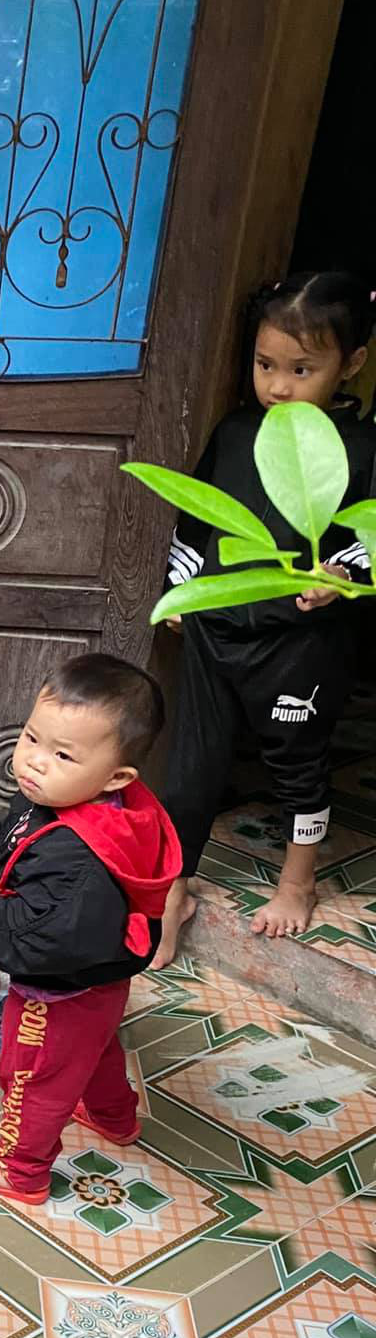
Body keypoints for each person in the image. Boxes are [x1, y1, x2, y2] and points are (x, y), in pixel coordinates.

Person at [157, 271, 376, 960]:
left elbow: (366, 542)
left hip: (300, 641)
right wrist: (182, 590)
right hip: (217, 630)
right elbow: (199, 517)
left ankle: (298, 878)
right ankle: (173, 889)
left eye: (302, 369)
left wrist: (346, 578)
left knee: (297, 761)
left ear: (353, 364)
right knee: (191, 766)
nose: (279, 385)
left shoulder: (363, 450)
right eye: (265, 365)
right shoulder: (236, 430)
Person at [0, 654, 181, 1207]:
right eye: (32, 738)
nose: (34, 763)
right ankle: (116, 1117)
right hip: (101, 976)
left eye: (62, 754)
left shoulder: (79, 858)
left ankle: (22, 1171)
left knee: (33, 1074)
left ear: (118, 776)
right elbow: (11, 845)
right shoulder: (62, 798)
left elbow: (35, 938)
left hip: (59, 987)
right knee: (92, 1048)